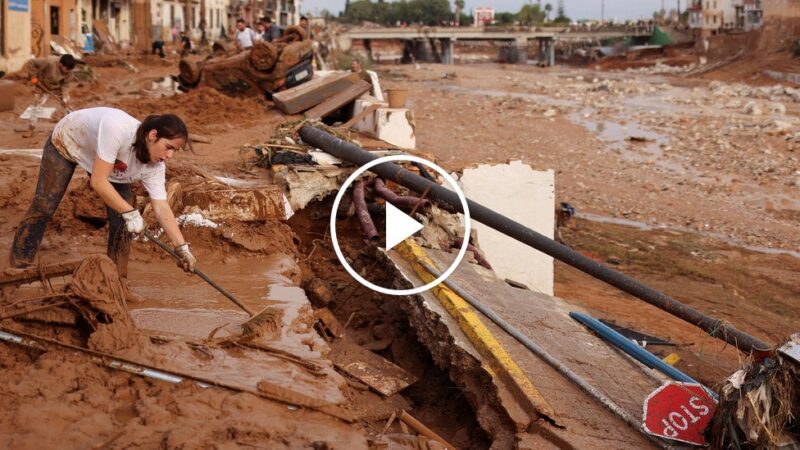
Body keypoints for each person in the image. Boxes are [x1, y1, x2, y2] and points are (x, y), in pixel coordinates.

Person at [10, 108, 197, 280]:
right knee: (44, 205)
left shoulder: (155, 166)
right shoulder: (118, 129)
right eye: (169, 147)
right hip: (69, 141)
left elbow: (161, 206)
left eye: (175, 151)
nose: (170, 155)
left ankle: (116, 281)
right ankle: (19, 268)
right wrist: (131, 213)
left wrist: (182, 248)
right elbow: (98, 182)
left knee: (123, 220)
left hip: (106, 160)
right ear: (153, 135)